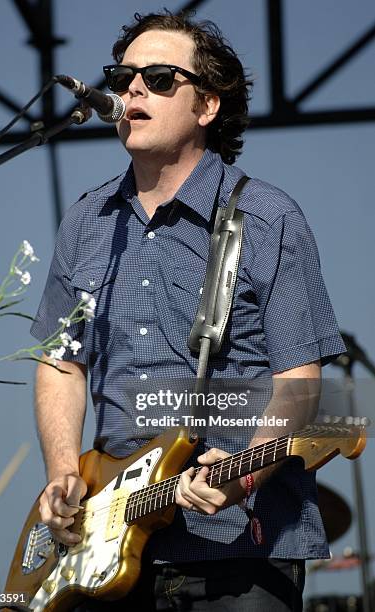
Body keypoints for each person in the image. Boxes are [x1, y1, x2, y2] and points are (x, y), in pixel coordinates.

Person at [31, 11, 346, 611]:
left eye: (158, 77)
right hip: (111, 551)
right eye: (123, 77)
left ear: (207, 106)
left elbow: (300, 385)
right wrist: (62, 473)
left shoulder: (269, 217)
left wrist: (245, 474)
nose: (133, 90)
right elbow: (61, 363)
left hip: (242, 554)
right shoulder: (85, 222)